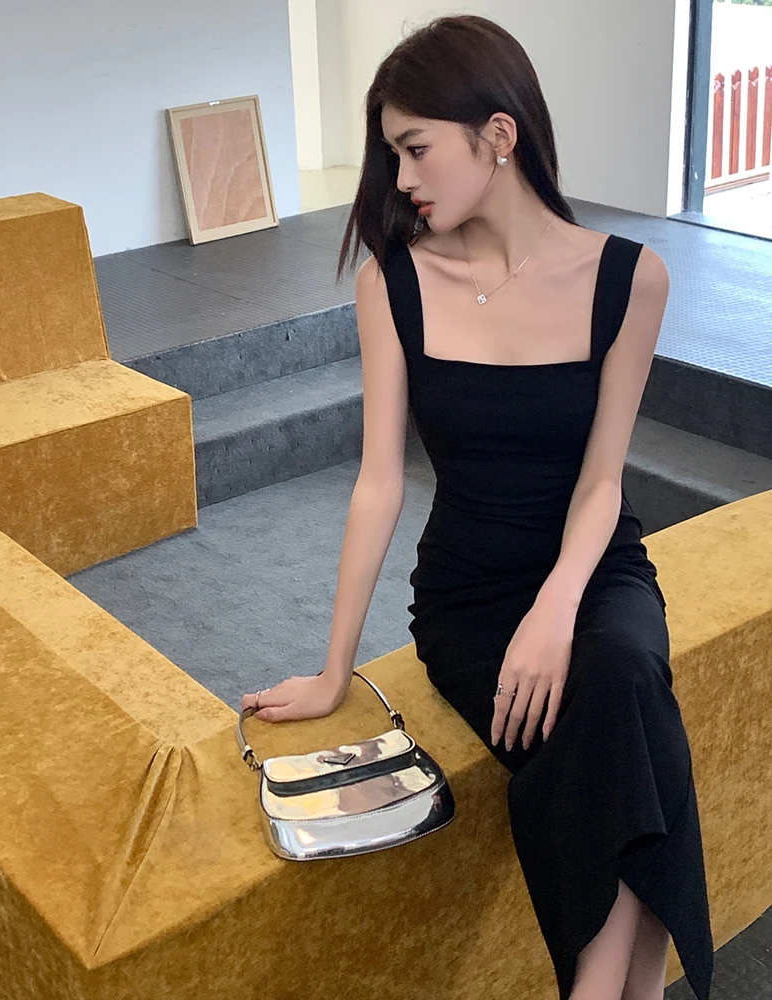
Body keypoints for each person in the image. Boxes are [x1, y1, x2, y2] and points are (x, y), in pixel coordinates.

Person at [239, 13, 713, 1000]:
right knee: (623, 721)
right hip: (469, 599)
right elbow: (378, 481)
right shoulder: (394, 284)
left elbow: (603, 481)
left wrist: (558, 606)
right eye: (392, 154)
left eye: (416, 149)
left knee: (621, 670)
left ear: (499, 134)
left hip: (592, 570)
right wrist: (333, 671)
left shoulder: (630, 278)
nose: (401, 177)